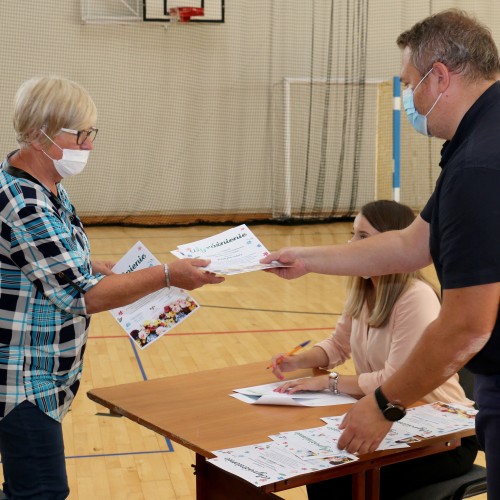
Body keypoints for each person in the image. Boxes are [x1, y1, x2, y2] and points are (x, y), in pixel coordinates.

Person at [261, 9, 500, 497]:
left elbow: (467, 325)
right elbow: (411, 244)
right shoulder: (481, 138)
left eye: (411, 83)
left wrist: (385, 404)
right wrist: (308, 259)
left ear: (440, 77)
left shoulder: (479, 165)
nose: (409, 98)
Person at [0, 75, 225, 499]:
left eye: (91, 133)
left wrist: (92, 264)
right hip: (22, 379)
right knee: (40, 493)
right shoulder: (25, 202)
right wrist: (167, 276)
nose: (88, 144)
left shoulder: (47, 188)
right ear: (38, 133)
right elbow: (81, 296)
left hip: (45, 371)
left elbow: (49, 265)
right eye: (80, 134)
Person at [269, 200, 478, 498]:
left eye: (362, 237)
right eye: (353, 234)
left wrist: (330, 382)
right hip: (390, 421)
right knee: (322, 472)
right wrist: (299, 360)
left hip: (444, 436)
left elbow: (393, 381)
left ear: (392, 243)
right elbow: (338, 345)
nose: (351, 245)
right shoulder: (365, 288)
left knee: (337, 480)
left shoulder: (415, 297)